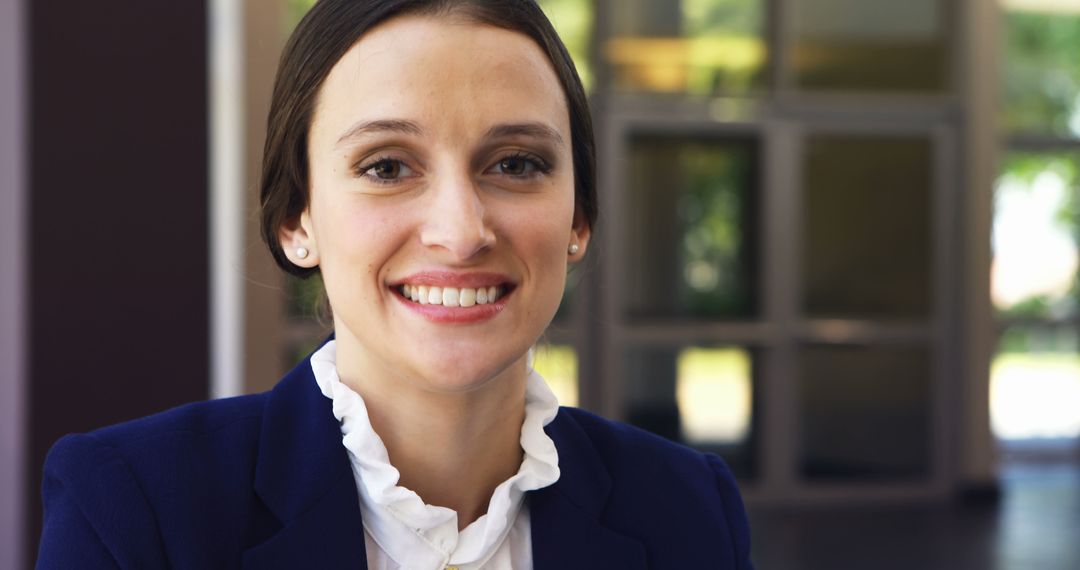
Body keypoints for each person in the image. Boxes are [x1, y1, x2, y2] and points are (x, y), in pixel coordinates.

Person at [36, 1, 754, 568]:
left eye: (516, 164)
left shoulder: (688, 510)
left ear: (580, 217)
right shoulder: (135, 510)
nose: (461, 229)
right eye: (386, 166)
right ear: (296, 217)